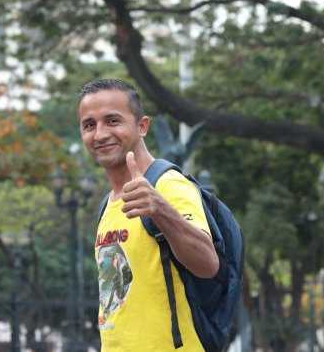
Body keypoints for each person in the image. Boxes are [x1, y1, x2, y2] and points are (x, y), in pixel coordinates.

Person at [79, 78, 219, 351]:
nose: (100, 134)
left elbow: (208, 263)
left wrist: (161, 209)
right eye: (89, 125)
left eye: (112, 120)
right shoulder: (108, 203)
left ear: (142, 126)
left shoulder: (169, 185)